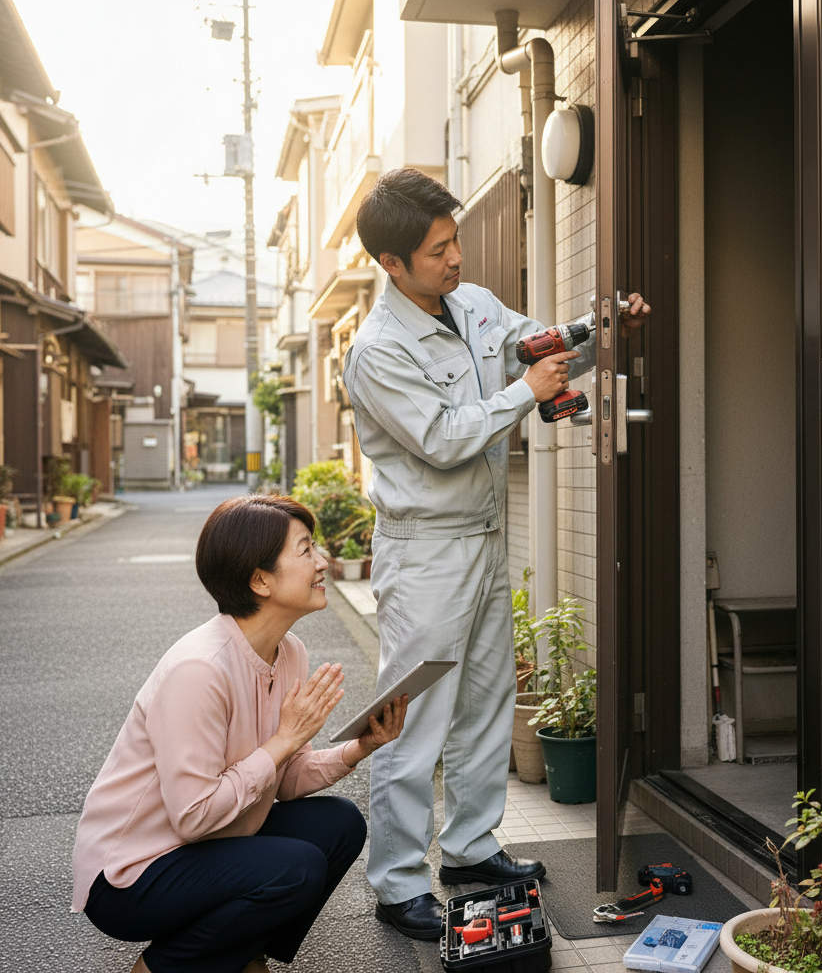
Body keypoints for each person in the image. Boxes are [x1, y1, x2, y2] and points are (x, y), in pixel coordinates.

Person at [343, 167, 651, 939]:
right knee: (414, 722)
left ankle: (470, 850)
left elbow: (534, 346)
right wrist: (527, 391)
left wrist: (599, 328)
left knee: (486, 705)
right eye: (438, 249)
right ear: (392, 263)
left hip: (482, 538)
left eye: (454, 242)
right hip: (425, 552)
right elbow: (446, 439)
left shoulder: (474, 304)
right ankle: (397, 881)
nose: (455, 259)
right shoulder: (377, 351)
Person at [71, 494, 408, 973]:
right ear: (260, 579)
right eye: (306, 550)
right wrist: (283, 741)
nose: (323, 562)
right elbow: (192, 816)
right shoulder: (199, 669)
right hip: (132, 874)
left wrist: (360, 747)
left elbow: (282, 779)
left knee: (340, 825)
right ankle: (161, 967)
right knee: (298, 869)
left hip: (206, 844)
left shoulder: (288, 651)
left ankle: (240, 950)